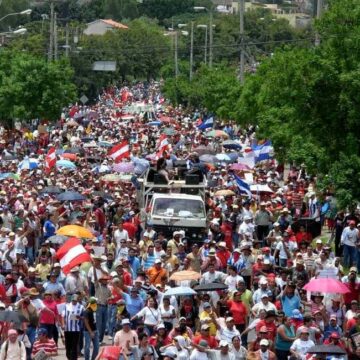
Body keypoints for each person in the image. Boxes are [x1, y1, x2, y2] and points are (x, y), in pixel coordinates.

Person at [62, 294, 84, 360]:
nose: (74, 302)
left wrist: (79, 317)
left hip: (76, 329)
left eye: (75, 300)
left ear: (77, 300)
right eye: (73, 300)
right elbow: (63, 316)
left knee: (74, 346)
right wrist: (63, 324)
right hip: (67, 329)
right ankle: (69, 357)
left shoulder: (81, 307)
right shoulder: (66, 306)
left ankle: (73, 358)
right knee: (68, 346)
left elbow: (84, 317)